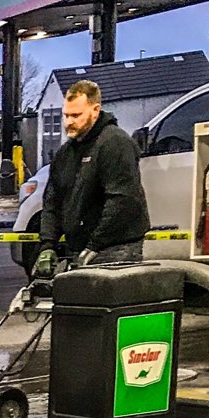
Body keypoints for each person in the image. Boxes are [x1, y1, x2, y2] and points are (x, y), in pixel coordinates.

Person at [34, 78, 150, 276]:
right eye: (66, 115)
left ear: (95, 110)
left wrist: (95, 245)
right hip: (81, 248)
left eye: (76, 115)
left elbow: (122, 201)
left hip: (116, 250)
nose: (68, 122)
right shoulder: (65, 154)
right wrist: (47, 245)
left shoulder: (115, 144)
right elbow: (52, 202)